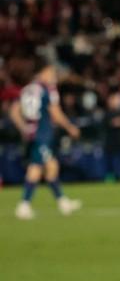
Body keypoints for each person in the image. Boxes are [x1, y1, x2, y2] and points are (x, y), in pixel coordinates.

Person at [11, 59, 83, 220]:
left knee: (51, 166)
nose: (53, 76)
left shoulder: (28, 89)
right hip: (42, 134)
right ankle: (24, 205)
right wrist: (70, 128)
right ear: (42, 72)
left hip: (32, 134)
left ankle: (63, 202)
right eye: (51, 73)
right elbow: (55, 113)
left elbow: (14, 111)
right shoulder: (47, 89)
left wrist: (23, 127)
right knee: (38, 167)